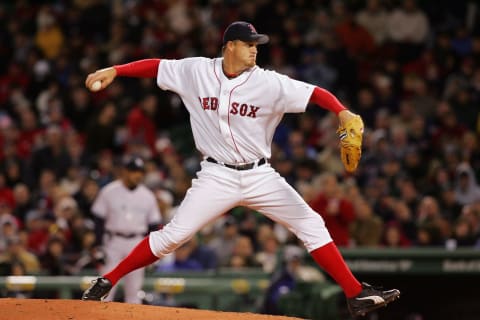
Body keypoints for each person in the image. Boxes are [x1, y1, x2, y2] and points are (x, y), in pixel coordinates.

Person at [81, 21, 400, 317]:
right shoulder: (197, 71)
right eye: (249, 44)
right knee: (172, 237)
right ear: (229, 46)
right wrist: (116, 70)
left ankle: (355, 293)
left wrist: (342, 112)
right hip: (216, 175)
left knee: (311, 224)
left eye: (257, 45)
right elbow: (157, 67)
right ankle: (108, 280)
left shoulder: (270, 82)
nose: (255, 49)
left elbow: (315, 92)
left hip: (260, 175)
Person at [89, 155, 162, 303]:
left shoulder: (148, 196)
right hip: (113, 242)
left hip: (136, 242)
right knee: (105, 288)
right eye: (134, 171)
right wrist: (98, 245)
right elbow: (98, 220)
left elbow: (154, 225)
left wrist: (153, 253)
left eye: (140, 172)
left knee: (134, 291)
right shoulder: (109, 191)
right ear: (124, 172)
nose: (138, 175)